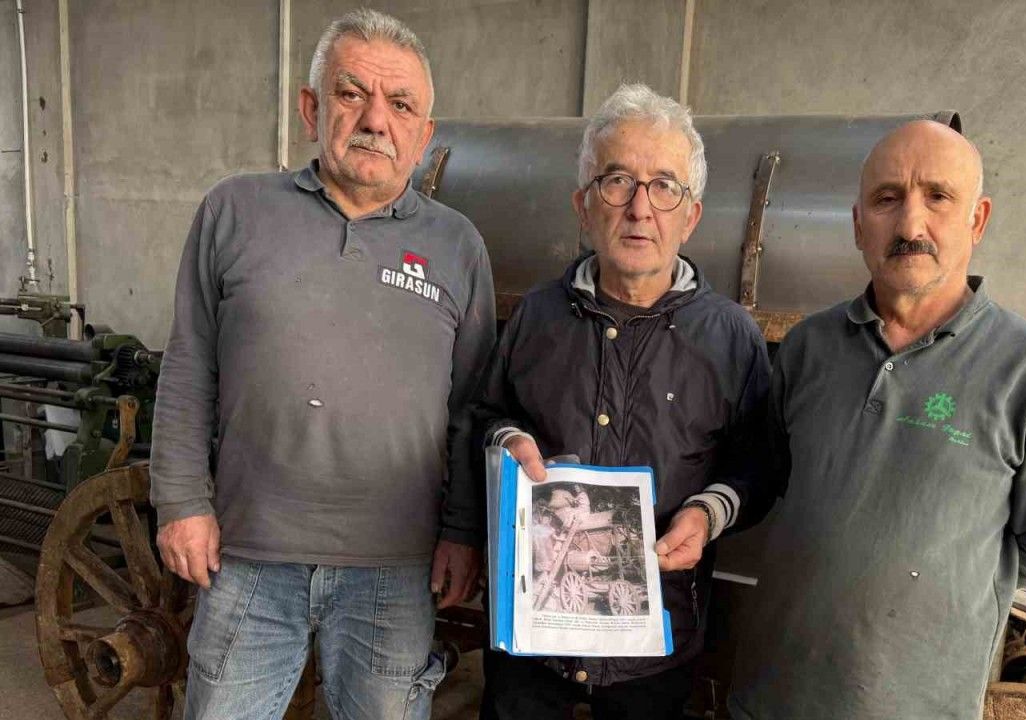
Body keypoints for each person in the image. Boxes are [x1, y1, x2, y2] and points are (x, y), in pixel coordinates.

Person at [148, 9, 494, 719]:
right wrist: (180, 503)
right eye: (351, 93)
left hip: (394, 572)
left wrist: (462, 532)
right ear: (311, 108)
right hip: (246, 557)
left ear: (424, 135)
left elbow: (472, 408)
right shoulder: (234, 211)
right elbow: (188, 368)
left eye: (400, 105)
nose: (375, 119)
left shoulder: (459, 246)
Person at [729, 120, 1026, 720]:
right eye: (887, 199)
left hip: (918, 702)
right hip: (774, 695)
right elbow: (772, 478)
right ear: (858, 225)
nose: (909, 226)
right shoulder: (807, 348)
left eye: (938, 197)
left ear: (977, 220)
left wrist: (949, 573)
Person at [459, 83, 772, 719]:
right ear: (584, 205)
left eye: (664, 186)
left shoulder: (730, 336)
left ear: (691, 215)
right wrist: (506, 440)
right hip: (531, 644)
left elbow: (761, 463)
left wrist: (707, 513)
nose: (639, 208)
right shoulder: (537, 317)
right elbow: (485, 415)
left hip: (656, 647)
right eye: (618, 181)